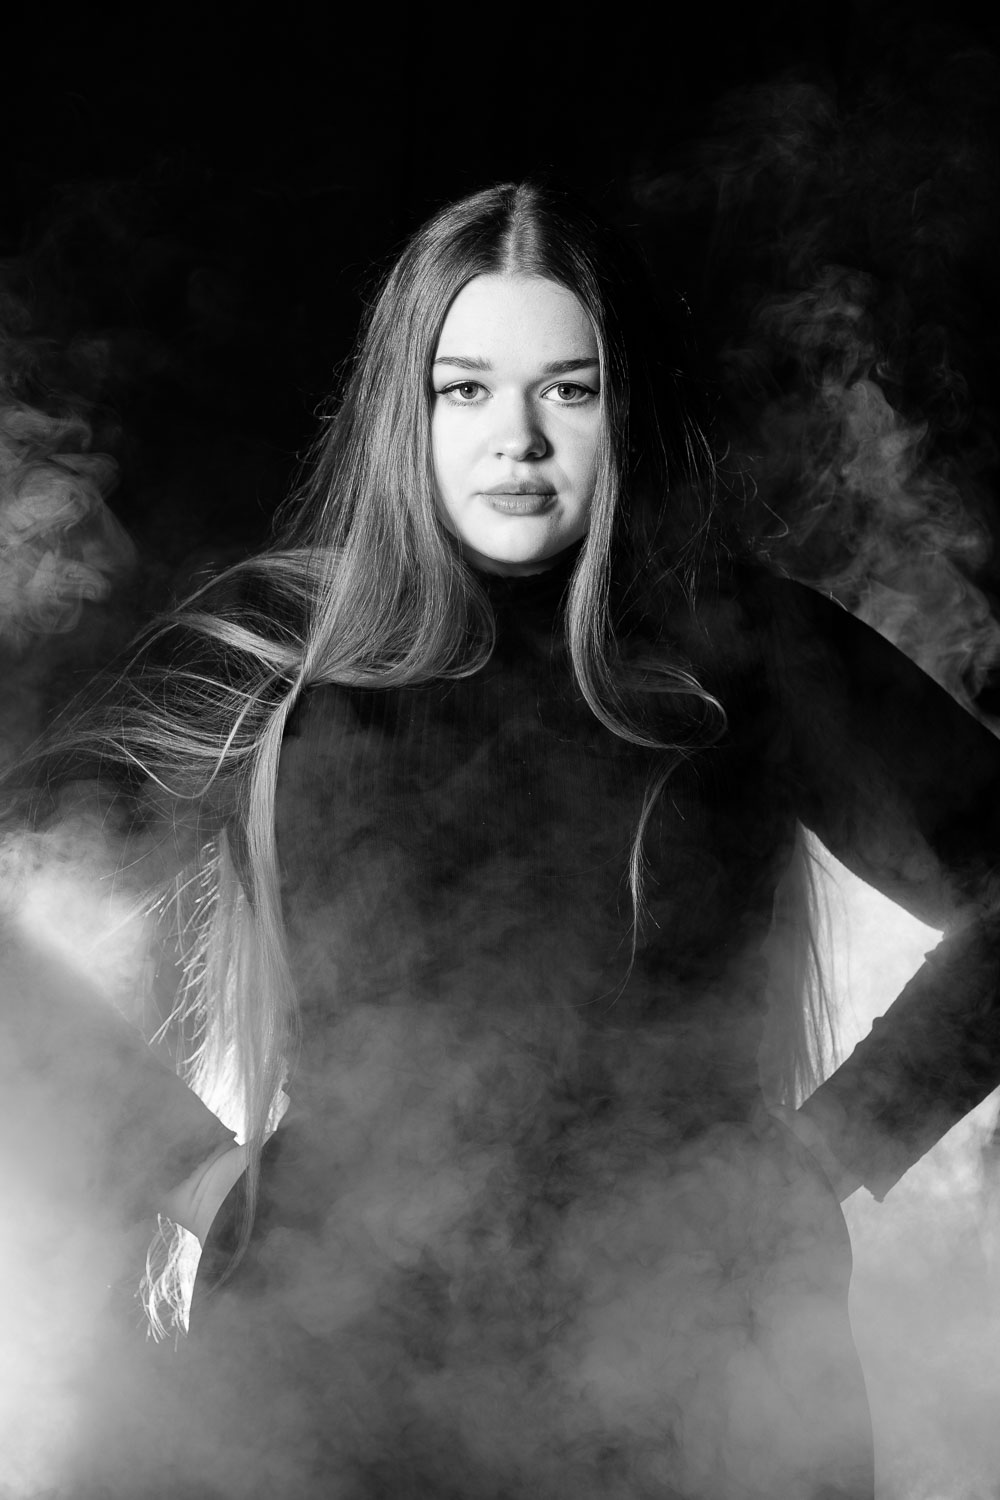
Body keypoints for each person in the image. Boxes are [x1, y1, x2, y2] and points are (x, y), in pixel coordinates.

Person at [3, 179, 1000, 1499]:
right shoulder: (278, 647)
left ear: (623, 410)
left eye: (567, 390)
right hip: (325, 1385)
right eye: (464, 388)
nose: (517, 439)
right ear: (404, 410)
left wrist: (841, 1145)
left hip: (703, 1379)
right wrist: (185, 1169)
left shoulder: (755, 647)